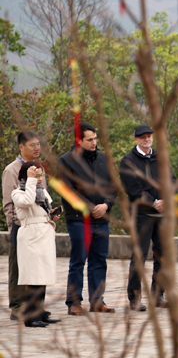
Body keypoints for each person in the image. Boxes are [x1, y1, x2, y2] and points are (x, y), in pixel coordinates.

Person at [57, 123, 116, 315]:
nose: (94, 143)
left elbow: (113, 186)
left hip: (102, 219)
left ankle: (97, 301)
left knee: (99, 261)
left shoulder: (104, 159)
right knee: (78, 261)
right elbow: (68, 191)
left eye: (95, 139)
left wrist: (106, 205)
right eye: (89, 140)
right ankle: (74, 302)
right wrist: (91, 208)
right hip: (79, 220)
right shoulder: (66, 161)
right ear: (78, 140)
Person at [120, 124, 175, 312]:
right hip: (141, 215)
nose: (146, 139)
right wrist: (154, 202)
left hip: (162, 214)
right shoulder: (128, 161)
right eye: (142, 137)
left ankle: (158, 295)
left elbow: (171, 180)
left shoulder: (160, 157)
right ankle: (134, 298)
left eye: (149, 136)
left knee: (162, 256)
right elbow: (133, 189)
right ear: (136, 139)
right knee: (139, 256)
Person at [11, 161, 59, 327]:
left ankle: (40, 312)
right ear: (25, 176)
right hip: (31, 236)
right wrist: (30, 180)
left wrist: (51, 215)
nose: (39, 178)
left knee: (42, 276)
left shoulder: (41, 190)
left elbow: (41, 210)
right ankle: (31, 317)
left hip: (44, 234)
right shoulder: (18, 192)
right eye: (35, 175)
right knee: (33, 277)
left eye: (40, 175)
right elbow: (27, 202)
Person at [4, 131, 41, 320]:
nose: (37, 148)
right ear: (21, 147)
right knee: (17, 267)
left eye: (38, 144)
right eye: (32, 145)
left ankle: (36, 307)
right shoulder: (12, 170)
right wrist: (14, 228)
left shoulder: (37, 167)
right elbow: (9, 204)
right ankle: (17, 307)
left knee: (36, 267)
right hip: (21, 226)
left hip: (37, 225)